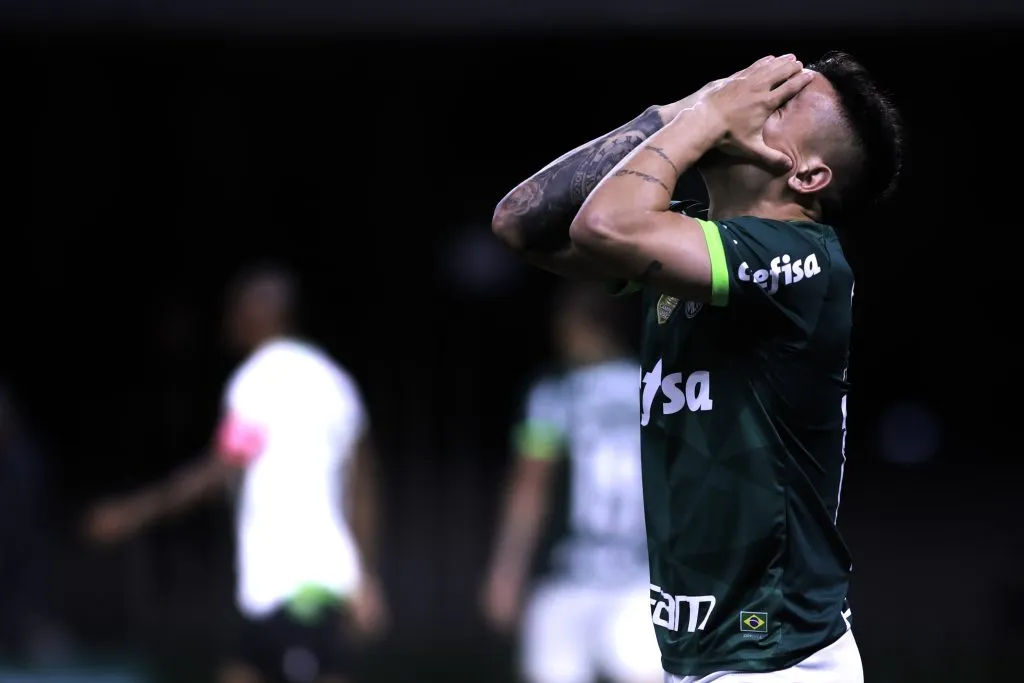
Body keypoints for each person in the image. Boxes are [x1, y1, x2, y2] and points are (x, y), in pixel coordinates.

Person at [491, 53, 903, 683]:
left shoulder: (803, 263)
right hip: (705, 659)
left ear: (808, 175)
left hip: (780, 660)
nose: (751, 95)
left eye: (782, 103)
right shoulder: (693, 247)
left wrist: (705, 117)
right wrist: (673, 113)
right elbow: (521, 222)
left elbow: (605, 224)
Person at [86, 265, 387, 683]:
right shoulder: (334, 380)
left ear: (257, 315)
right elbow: (364, 483)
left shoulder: (255, 382)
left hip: (290, 582)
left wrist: (132, 512)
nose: (226, 321)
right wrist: (366, 574)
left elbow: (220, 468)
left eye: (234, 310)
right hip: (315, 582)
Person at [481, 281, 661, 683]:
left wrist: (506, 571)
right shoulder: (652, 385)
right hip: (641, 574)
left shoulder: (553, 394)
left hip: (569, 573)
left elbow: (530, 489)